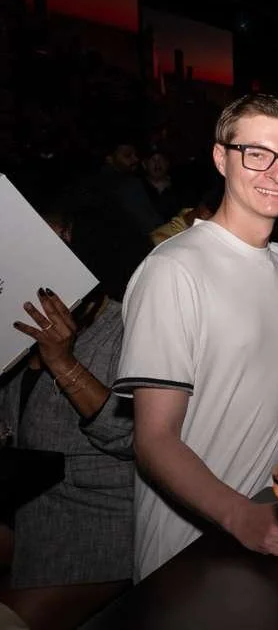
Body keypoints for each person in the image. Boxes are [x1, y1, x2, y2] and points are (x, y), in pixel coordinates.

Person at [113, 94, 278, 581]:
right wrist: (239, 515)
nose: (277, 173)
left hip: (270, 523)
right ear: (222, 158)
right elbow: (154, 440)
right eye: (257, 153)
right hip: (192, 544)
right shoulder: (173, 270)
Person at [0, 197, 149, 630]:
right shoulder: (17, 322)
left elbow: (134, 436)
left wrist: (63, 362)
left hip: (98, 520)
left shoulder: (128, 327)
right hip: (26, 506)